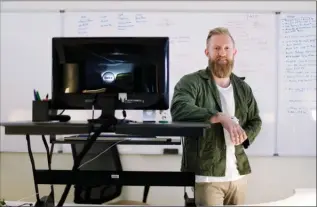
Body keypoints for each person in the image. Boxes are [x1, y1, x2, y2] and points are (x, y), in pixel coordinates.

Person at [170, 27, 262, 206]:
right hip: (207, 177)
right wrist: (219, 116)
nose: (222, 53)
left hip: (238, 175)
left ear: (234, 52)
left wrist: (245, 135)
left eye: (227, 48)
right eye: (217, 48)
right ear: (207, 52)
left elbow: (255, 120)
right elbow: (179, 109)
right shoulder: (191, 82)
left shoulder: (243, 88)